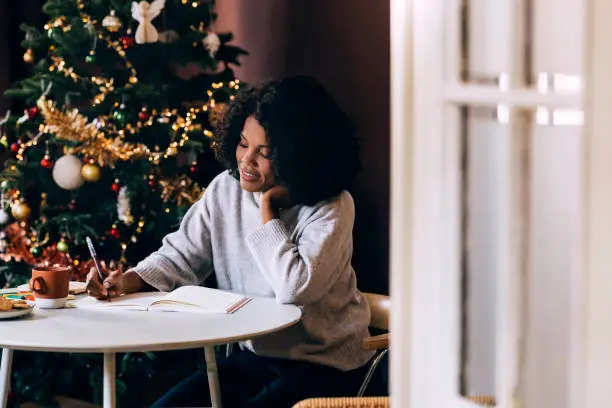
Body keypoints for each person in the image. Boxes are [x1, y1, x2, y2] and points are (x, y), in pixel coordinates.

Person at [86, 75, 375, 407]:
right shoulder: (225, 189)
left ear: (299, 155)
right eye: (242, 143)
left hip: (327, 365)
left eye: (264, 152)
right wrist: (128, 280)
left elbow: (296, 288)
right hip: (254, 357)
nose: (245, 160)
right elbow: (181, 256)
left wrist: (267, 210)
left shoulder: (331, 207)